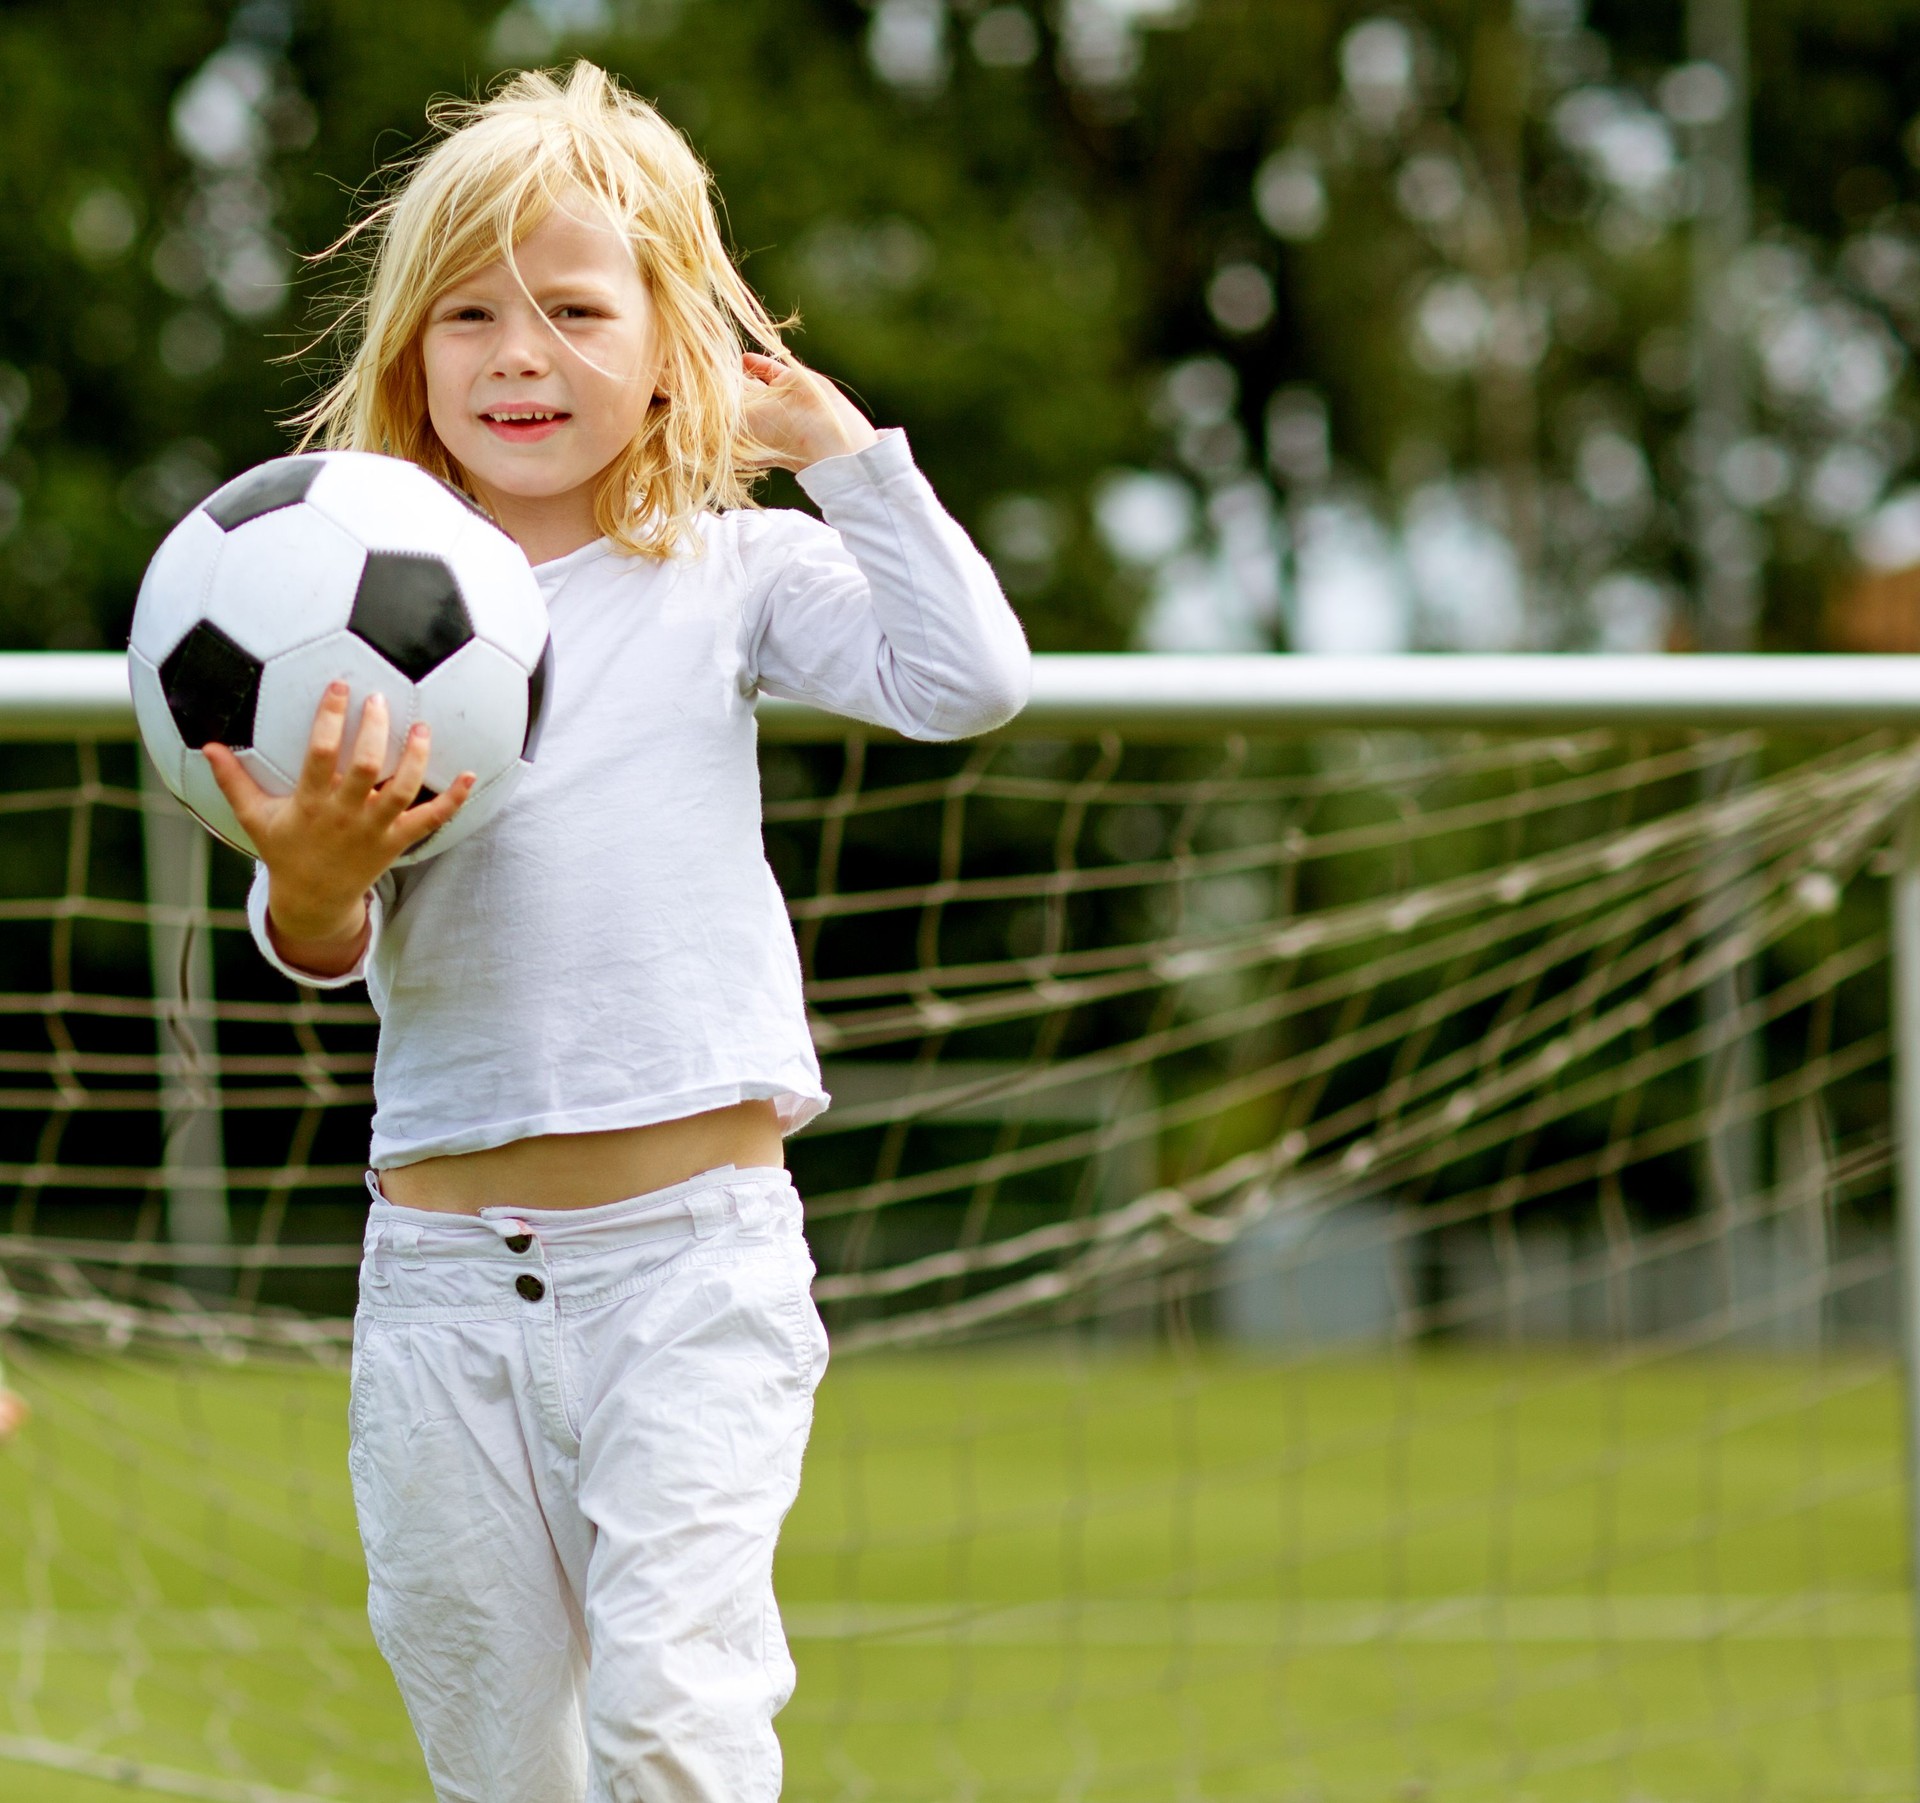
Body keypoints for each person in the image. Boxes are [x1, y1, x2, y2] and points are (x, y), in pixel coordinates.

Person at [202, 62, 1028, 1803]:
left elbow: (968, 681)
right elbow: (311, 941)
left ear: (672, 342)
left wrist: (844, 461)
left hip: (689, 1269)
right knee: (501, 1767)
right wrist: (323, 876)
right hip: (438, 1292)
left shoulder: (722, 569)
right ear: (413, 354)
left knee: (676, 1729)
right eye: (472, 315)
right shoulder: (336, 600)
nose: (519, 353)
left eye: (575, 310)